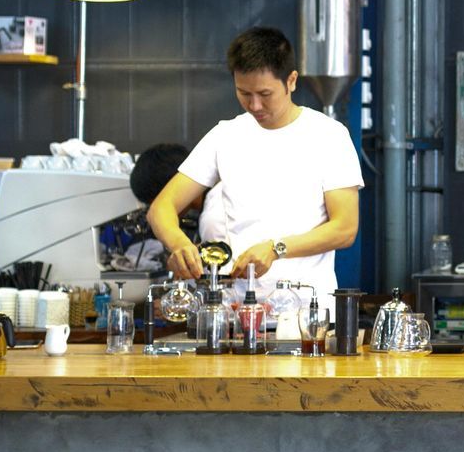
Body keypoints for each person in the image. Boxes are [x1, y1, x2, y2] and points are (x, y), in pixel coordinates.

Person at [147, 27, 361, 300]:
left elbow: (344, 228)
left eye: (265, 94)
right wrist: (179, 245)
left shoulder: (328, 136)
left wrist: (276, 248)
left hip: (305, 311)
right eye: (244, 93)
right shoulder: (225, 135)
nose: (255, 105)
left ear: (291, 81)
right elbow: (161, 208)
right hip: (237, 309)